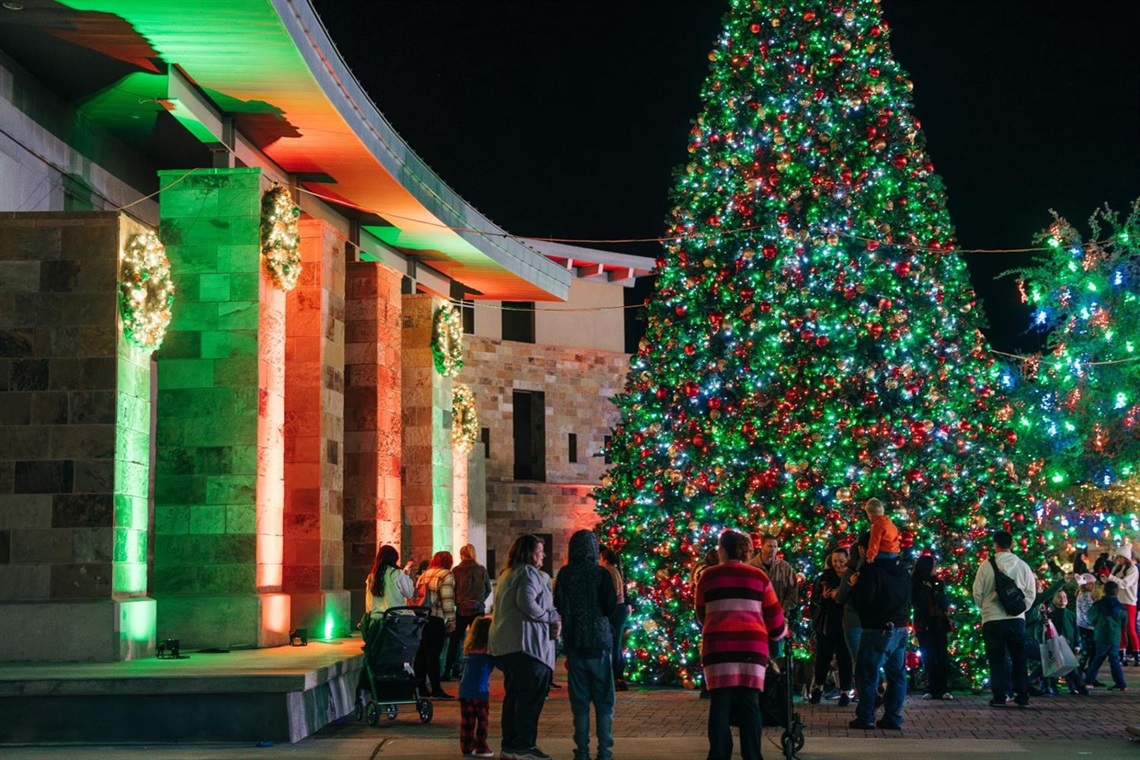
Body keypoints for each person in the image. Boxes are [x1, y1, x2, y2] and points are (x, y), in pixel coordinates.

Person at [696, 529, 787, 760]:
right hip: (751, 649)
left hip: (717, 648)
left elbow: (701, 614)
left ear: (723, 550)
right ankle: (752, 755)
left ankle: (718, 755)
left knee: (720, 704)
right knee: (750, 704)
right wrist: (781, 631)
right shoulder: (759, 577)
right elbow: (775, 621)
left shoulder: (708, 577)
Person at [489, 534, 561, 760]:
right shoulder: (529, 573)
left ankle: (510, 746)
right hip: (528, 647)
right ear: (530, 553)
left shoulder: (507, 574)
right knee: (530, 698)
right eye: (540, 550)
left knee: (514, 697)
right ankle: (523, 745)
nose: (544, 555)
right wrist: (549, 618)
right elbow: (526, 602)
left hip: (507, 647)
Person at [555, 530, 618, 760]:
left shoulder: (565, 574)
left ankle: (581, 751)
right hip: (599, 642)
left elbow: (558, 604)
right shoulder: (600, 574)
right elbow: (610, 605)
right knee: (604, 701)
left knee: (580, 702)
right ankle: (605, 752)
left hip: (575, 644)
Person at [848, 543, 911, 729]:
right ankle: (892, 716)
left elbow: (864, 600)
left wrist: (855, 586)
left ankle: (866, 715)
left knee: (867, 672)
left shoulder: (871, 569)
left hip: (878, 627)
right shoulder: (902, 569)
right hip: (900, 626)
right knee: (897, 674)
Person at [972, 530, 1037, 707]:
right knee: (1019, 658)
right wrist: (1021, 610)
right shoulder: (1022, 566)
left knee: (996, 659)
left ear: (995, 544)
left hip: (992, 619)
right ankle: (1022, 694)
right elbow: (1031, 593)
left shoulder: (986, 566)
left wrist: (985, 608)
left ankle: (999, 695)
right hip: (1016, 620)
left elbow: (977, 592)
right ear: (1011, 544)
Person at [809, 547, 853, 706]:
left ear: (847, 560)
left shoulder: (851, 577)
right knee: (823, 657)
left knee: (844, 659)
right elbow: (814, 601)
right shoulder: (824, 578)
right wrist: (823, 597)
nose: (838, 565)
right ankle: (819, 688)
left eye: (841, 561)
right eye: (835, 561)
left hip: (845, 623)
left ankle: (845, 692)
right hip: (827, 623)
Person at [413, 550, 457, 700]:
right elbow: (447, 598)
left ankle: (421, 687)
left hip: (421, 618)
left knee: (421, 654)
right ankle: (437, 689)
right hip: (435, 618)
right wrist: (451, 620)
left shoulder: (425, 574)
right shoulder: (446, 575)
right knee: (434, 655)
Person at [446, 543, 492, 681]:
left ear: (461, 555)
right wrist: (480, 600)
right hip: (478, 610)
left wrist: (458, 601)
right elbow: (488, 588)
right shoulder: (481, 569)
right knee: (478, 640)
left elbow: (452, 589)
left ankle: (449, 670)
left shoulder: (456, 570)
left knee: (455, 641)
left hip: (461, 609)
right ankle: (478, 670)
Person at [912, 554, 953, 700]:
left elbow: (943, 603)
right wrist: (927, 590)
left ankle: (943, 688)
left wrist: (935, 593)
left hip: (938, 624)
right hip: (924, 625)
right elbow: (917, 603)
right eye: (934, 565)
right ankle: (930, 687)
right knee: (928, 657)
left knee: (941, 656)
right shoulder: (915, 583)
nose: (935, 569)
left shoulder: (938, 583)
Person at [458, 615, 496, 758]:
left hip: (465, 691)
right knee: (482, 721)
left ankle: (466, 747)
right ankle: (481, 747)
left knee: (467, 722)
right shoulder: (488, 653)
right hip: (481, 692)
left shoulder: (469, 651)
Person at [834, 534, 866, 689]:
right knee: (868, 657)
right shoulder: (869, 570)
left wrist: (837, 592)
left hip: (853, 620)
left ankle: (863, 691)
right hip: (869, 620)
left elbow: (841, 597)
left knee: (857, 659)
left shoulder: (850, 572)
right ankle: (875, 688)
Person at [1085, 581, 1128, 690]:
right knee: (1114, 660)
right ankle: (1121, 683)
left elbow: (1091, 618)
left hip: (1101, 635)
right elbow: (1124, 622)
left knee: (1097, 659)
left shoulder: (1098, 605)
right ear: (1117, 592)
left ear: (1104, 590)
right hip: (1115, 637)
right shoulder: (1121, 607)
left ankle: (1088, 681)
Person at [1045, 589, 1089, 696]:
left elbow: (1075, 630)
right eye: (1059, 597)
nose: (1062, 599)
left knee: (1071, 667)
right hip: (1055, 643)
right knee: (1055, 666)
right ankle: (1054, 687)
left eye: (1064, 597)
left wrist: (1077, 644)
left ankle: (1074, 687)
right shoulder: (1050, 614)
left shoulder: (1071, 614)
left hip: (1070, 644)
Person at [599, 547, 630, 691]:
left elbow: (613, 593)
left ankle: (617, 678)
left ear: (604, 557)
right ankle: (618, 677)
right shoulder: (615, 570)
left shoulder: (609, 571)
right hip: (620, 609)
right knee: (616, 645)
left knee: (613, 646)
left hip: (615, 610)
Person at [364, 544, 415, 623]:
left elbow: (368, 601)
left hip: (377, 618)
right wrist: (407, 576)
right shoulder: (397, 573)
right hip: (396, 618)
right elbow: (409, 594)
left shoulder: (372, 576)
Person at [748, 534, 798, 613]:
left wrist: (783, 609)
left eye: (775, 547)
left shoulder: (785, 567)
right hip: (756, 616)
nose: (773, 549)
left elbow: (793, 591)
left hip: (779, 614)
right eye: (770, 546)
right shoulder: (751, 566)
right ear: (762, 547)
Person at [1110, 545, 1138, 666]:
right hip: (1118, 601)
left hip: (1129, 602)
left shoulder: (1133, 569)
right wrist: (1105, 577)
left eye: (1121, 557)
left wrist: (1110, 577)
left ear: (1126, 557)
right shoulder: (1117, 568)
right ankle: (1122, 655)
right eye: (1117, 558)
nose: (1119, 560)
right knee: (1120, 629)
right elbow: (1112, 582)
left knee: (1131, 629)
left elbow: (1124, 584)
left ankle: (1137, 654)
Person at [863, 498, 899, 564]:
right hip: (894, 553)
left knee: (863, 559)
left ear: (870, 515)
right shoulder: (889, 522)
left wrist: (870, 556)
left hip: (885, 554)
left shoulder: (877, 525)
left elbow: (874, 542)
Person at [1075, 573, 1098, 670]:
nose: (1093, 586)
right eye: (1091, 584)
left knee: (1090, 651)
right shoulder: (1085, 596)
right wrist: (1095, 624)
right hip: (1086, 627)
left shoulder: (1084, 594)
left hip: (1085, 626)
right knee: (1089, 651)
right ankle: (1082, 672)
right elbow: (1087, 613)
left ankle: (1089, 673)